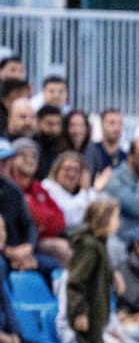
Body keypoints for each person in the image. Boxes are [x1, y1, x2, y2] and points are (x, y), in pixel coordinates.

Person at [66, 199, 132, 343]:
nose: (117, 222)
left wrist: (113, 276)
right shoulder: (89, 246)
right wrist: (79, 312)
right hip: (88, 313)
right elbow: (76, 282)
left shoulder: (99, 245)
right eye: (115, 217)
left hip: (97, 311)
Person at [0, 214, 65, 343]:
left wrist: (15, 334)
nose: (2, 234)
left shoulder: (1, 264)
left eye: (3, 228)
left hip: (5, 334)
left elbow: (7, 305)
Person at [9, 137, 71, 268]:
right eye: (23, 155)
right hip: (17, 244)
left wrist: (41, 223)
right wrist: (42, 220)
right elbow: (31, 218)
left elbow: (60, 219)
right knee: (61, 248)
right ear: (11, 159)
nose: (30, 160)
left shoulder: (38, 187)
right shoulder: (10, 187)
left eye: (34, 156)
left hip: (38, 240)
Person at [42, 151, 109, 229]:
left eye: (76, 170)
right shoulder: (47, 187)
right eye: (67, 168)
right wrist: (86, 191)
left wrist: (94, 190)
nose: (71, 174)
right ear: (57, 170)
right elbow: (69, 219)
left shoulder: (80, 193)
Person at [84, 108, 127, 183]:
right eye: (112, 123)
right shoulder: (91, 151)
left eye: (120, 123)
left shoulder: (125, 157)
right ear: (102, 124)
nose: (117, 128)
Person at [33, 104, 65, 180]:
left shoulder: (62, 148)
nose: (54, 129)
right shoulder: (31, 147)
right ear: (38, 123)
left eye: (58, 124)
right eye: (50, 124)